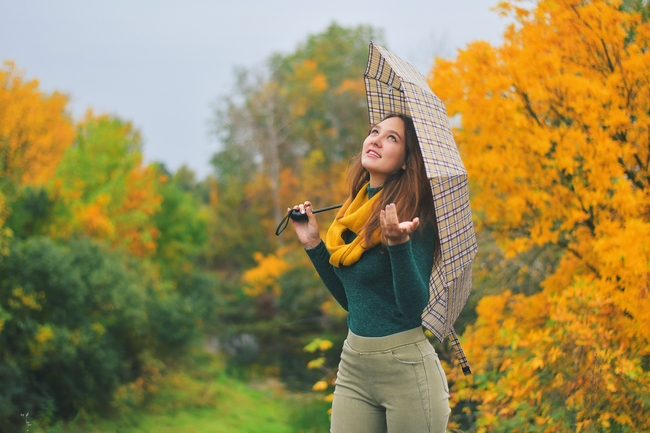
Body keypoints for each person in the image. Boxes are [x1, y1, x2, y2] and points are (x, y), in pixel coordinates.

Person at [289, 113, 451, 433]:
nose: (375, 139)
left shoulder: (414, 216)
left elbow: (412, 306)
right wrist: (312, 243)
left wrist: (398, 245)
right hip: (354, 365)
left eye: (392, 138)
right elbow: (353, 300)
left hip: (406, 368)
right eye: (375, 132)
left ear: (407, 160)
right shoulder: (351, 214)